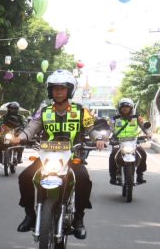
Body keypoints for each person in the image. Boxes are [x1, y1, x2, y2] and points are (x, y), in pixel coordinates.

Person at [12, 70, 102, 239]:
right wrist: (20, 138)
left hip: (71, 156)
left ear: (70, 90)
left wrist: (98, 138)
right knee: (25, 177)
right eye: (55, 88)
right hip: (46, 156)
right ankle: (30, 214)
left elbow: (92, 129)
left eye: (62, 88)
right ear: (50, 91)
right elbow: (31, 128)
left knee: (83, 178)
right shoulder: (44, 111)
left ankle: (79, 218)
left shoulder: (81, 111)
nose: (58, 92)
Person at [108, 97, 149, 185]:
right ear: (120, 108)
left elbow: (143, 127)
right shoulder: (114, 118)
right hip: (119, 141)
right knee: (113, 154)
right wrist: (105, 136)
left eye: (127, 106)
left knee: (142, 153)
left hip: (133, 141)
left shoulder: (137, 118)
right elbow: (109, 129)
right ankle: (113, 176)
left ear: (131, 108)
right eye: (123, 107)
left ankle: (140, 175)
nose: (125, 108)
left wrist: (148, 134)